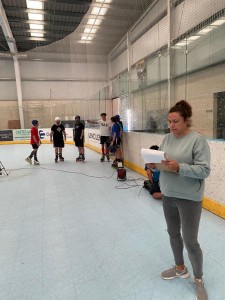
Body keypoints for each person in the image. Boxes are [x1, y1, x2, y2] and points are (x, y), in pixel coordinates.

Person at [157, 100, 210, 300]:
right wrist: (154, 166)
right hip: (169, 193)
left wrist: (180, 167)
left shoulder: (198, 140)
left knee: (190, 241)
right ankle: (180, 268)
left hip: (189, 198)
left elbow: (204, 170)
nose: (171, 125)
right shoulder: (166, 139)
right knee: (172, 233)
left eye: (176, 121)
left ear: (186, 121)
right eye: (169, 121)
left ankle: (198, 279)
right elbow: (162, 161)